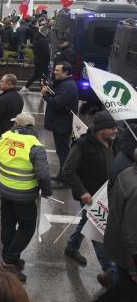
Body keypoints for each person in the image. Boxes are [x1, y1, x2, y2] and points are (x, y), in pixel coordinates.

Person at [0, 113, 52, 283]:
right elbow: (43, 175)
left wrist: (4, 170)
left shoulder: (4, 138)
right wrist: (46, 191)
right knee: (27, 227)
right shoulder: (35, 146)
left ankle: (9, 258)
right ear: (32, 127)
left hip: (5, 191)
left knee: (7, 224)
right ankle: (9, 261)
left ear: (16, 124)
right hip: (25, 195)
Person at [62, 111, 119, 288]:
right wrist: (82, 192)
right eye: (111, 128)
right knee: (97, 227)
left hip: (106, 194)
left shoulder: (112, 143)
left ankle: (72, 247)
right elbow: (67, 172)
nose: (115, 131)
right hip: (89, 196)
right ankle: (108, 269)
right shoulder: (81, 145)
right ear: (100, 129)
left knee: (87, 220)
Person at [103, 149, 137, 301]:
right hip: (128, 256)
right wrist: (134, 269)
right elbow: (131, 234)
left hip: (117, 247)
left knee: (122, 288)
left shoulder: (126, 173)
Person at [42, 62, 79, 183]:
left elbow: (57, 103)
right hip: (60, 123)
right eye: (55, 70)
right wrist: (48, 89)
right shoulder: (64, 84)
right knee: (61, 151)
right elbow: (57, 95)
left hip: (63, 124)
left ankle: (65, 178)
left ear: (66, 72)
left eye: (57, 70)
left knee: (63, 152)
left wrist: (46, 96)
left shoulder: (68, 86)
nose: (54, 72)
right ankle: (61, 175)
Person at [21, 26, 51, 93]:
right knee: (43, 76)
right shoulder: (44, 40)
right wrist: (48, 60)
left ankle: (25, 87)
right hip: (43, 61)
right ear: (45, 32)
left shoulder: (36, 38)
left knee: (36, 75)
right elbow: (46, 52)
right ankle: (44, 91)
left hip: (37, 60)